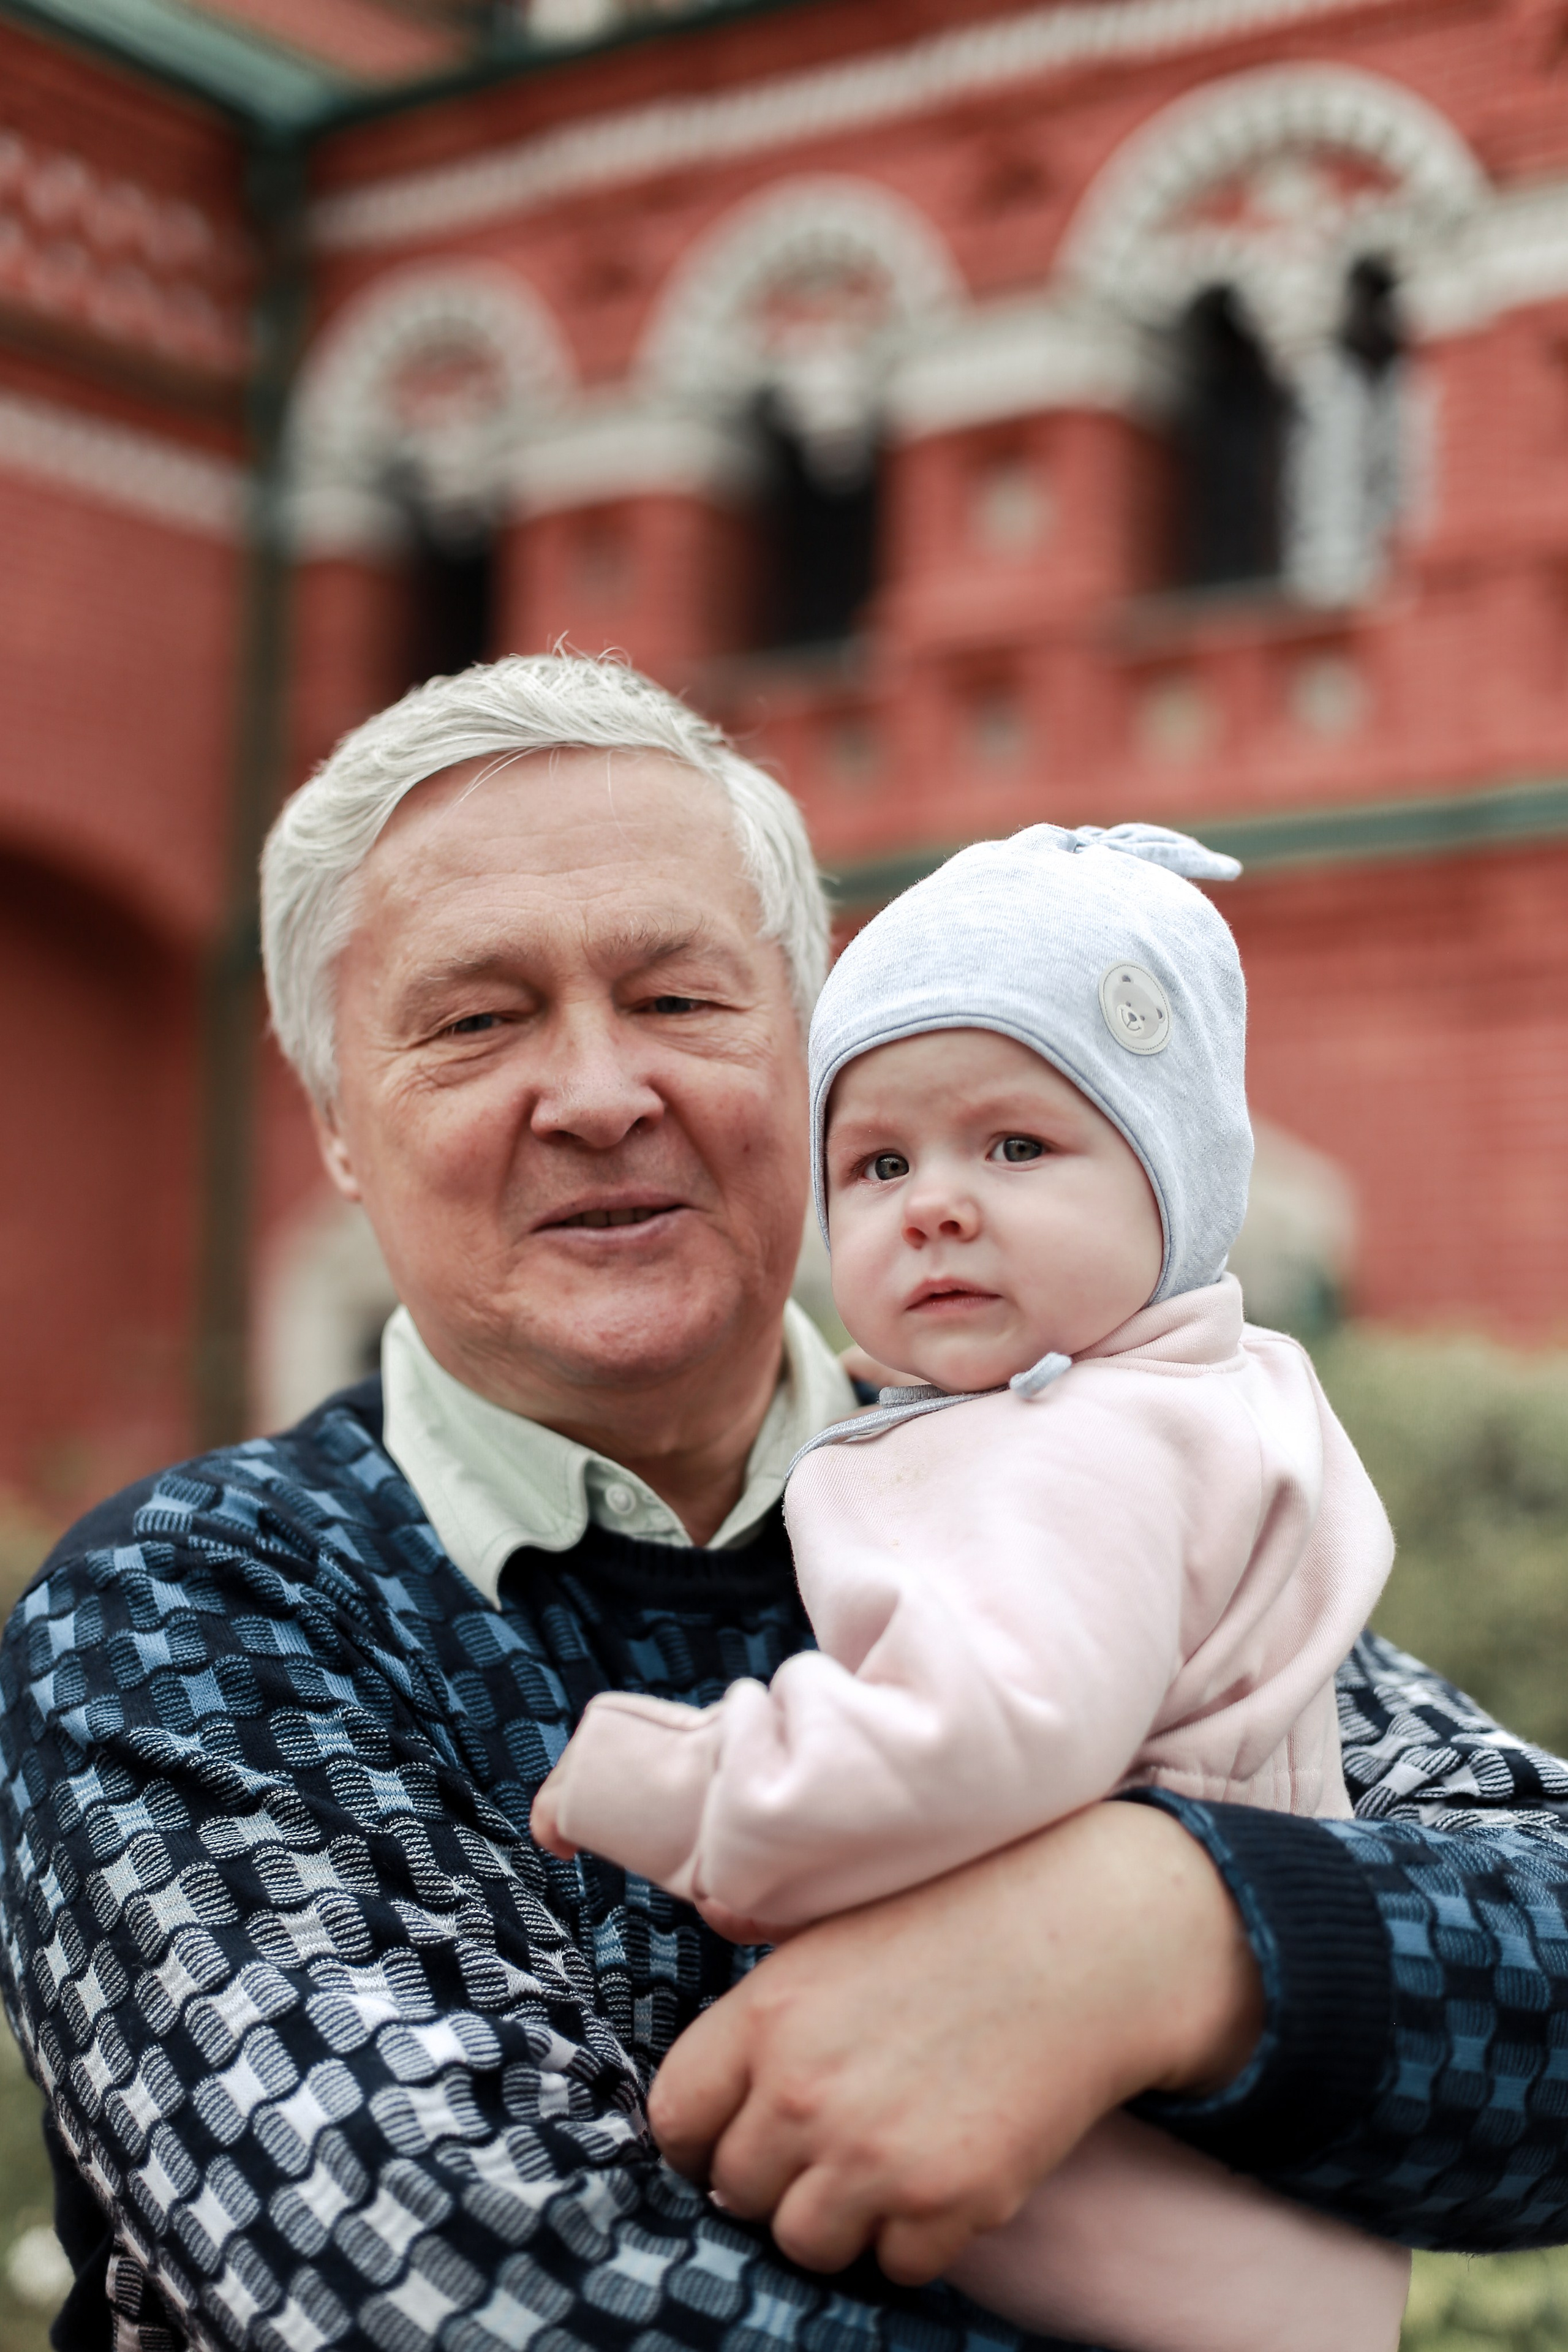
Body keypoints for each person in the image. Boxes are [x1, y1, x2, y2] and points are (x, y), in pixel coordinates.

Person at [1, 657, 1567, 2352]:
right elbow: (461, 2293)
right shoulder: (191, 1616)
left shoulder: (1061, 1468)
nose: (600, 1094)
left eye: (679, 1000)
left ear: (810, 1058)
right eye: (475, 1023)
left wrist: (1173, 1935)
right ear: (335, 1126)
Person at [532, 820, 1411, 2352]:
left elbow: (999, 1726)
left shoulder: (1080, 1448)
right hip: (1232, 2191)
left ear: (1175, 1185)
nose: (933, 1203)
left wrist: (691, 1785)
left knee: (721, 2147)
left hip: (1125, 2174)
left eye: (1014, 1147)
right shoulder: (1172, 1400)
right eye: (878, 1164)